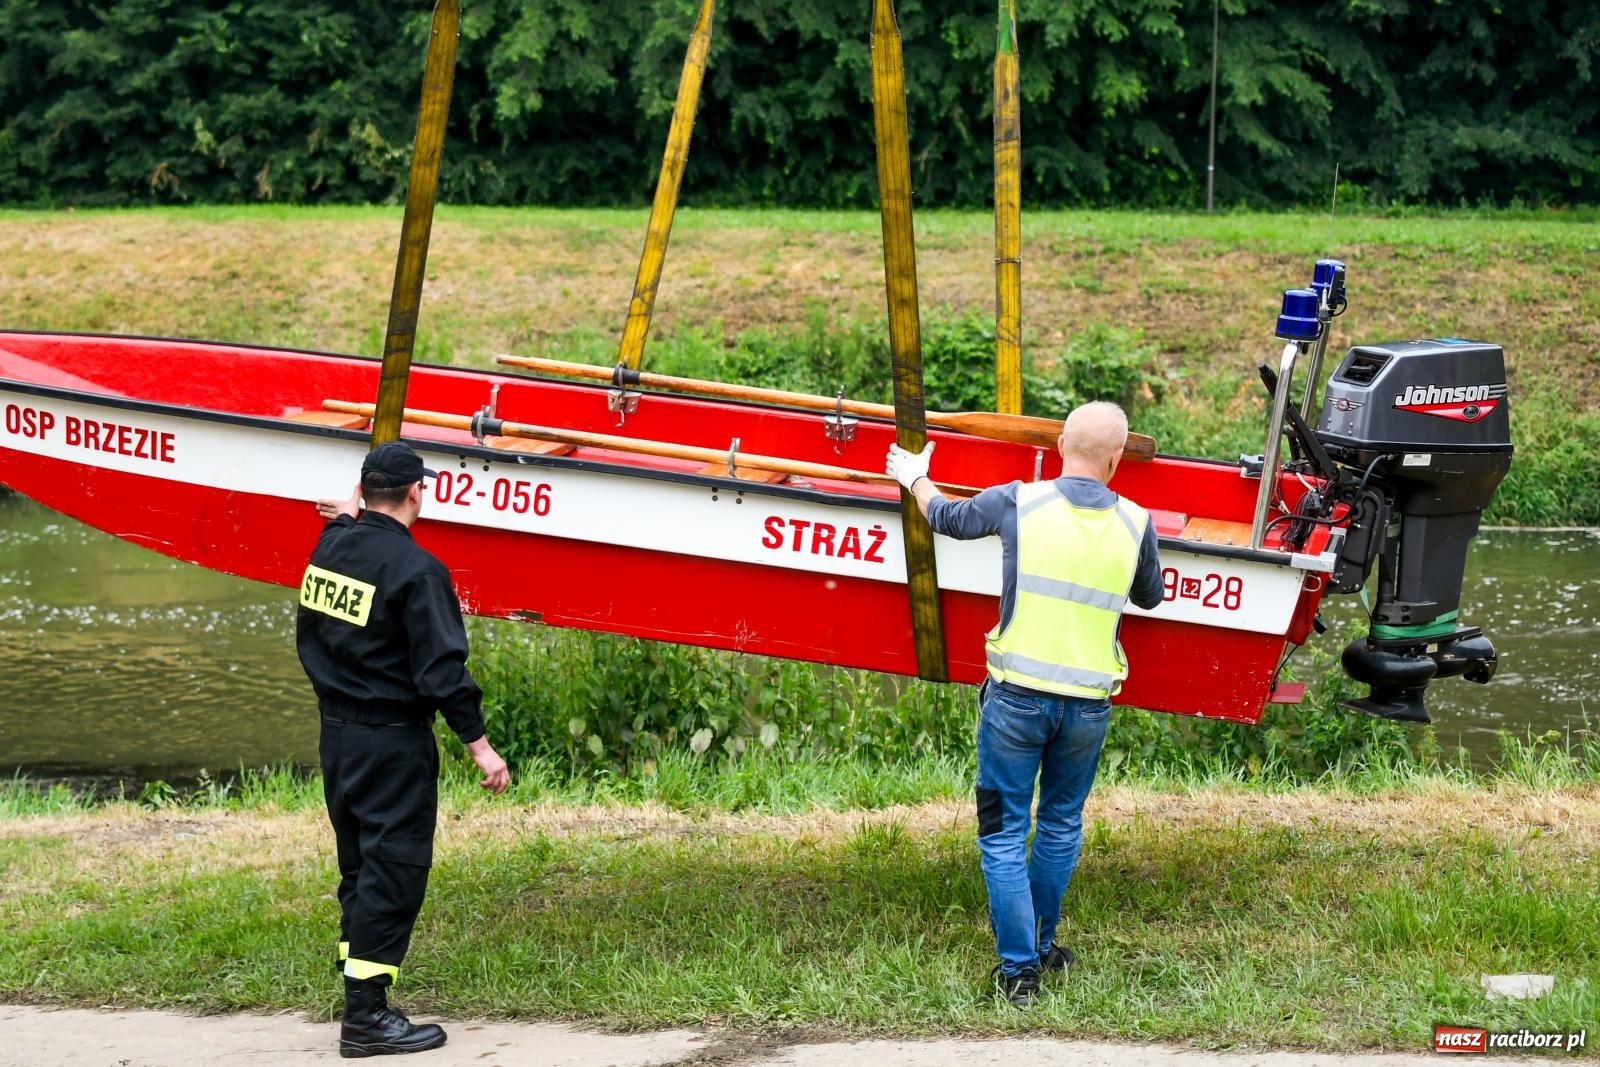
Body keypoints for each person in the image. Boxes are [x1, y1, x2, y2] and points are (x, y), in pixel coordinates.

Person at [886, 401, 1162, 1007]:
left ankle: (1019, 972)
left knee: (1004, 832)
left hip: (1015, 702)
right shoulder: (1138, 523)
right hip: (1087, 707)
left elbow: (949, 519)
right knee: (1060, 825)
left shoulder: (1019, 500)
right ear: (1117, 460)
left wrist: (913, 476)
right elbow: (1149, 597)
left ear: (1061, 443)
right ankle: (1040, 947)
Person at [297, 441, 511, 1058]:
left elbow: (339, 536)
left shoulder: (330, 548)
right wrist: (480, 747)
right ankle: (365, 1019)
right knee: (394, 869)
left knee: (361, 865)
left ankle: (359, 992)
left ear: (366, 493)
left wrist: (343, 515)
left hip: (337, 736)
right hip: (391, 743)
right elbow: (442, 671)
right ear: (419, 491)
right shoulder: (419, 572)